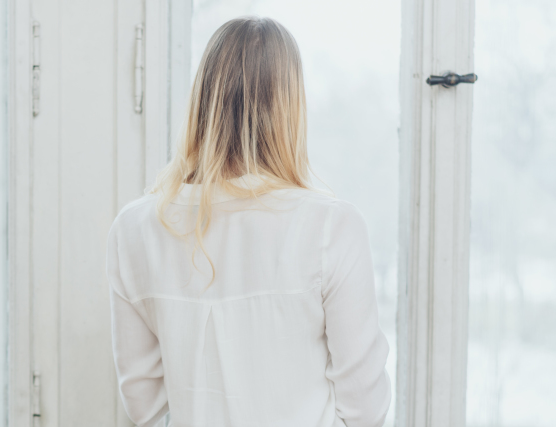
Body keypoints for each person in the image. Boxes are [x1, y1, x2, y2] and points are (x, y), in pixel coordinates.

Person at [107, 17, 390, 427]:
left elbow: (145, 409)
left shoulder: (133, 230)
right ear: (291, 109)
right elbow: (366, 411)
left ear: (202, 100)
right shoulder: (332, 227)